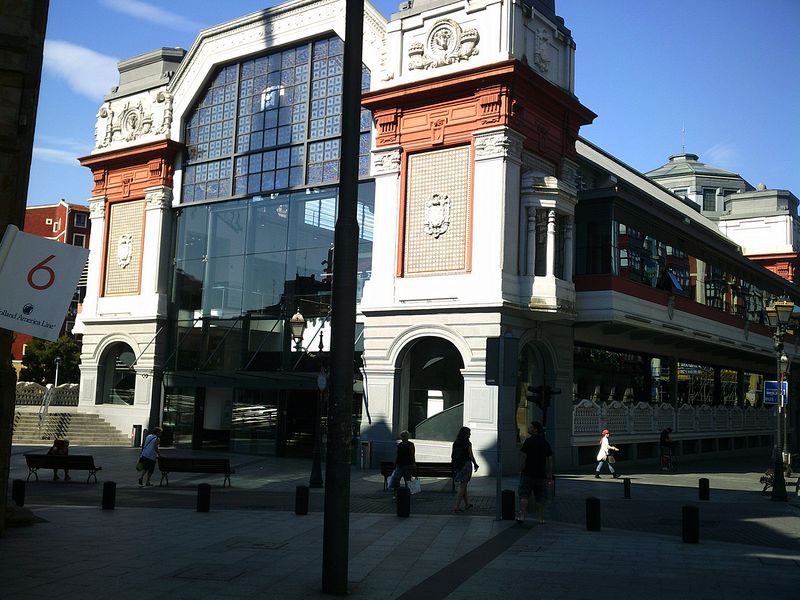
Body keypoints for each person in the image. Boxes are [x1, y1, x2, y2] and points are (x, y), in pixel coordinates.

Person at [517, 421, 553, 524]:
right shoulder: (545, 442)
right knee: (540, 497)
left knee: (524, 494)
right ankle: (540, 518)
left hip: (528, 473)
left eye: (531, 427)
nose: (529, 428)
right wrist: (549, 474)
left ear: (536, 430)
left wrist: (520, 469)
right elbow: (549, 460)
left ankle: (522, 515)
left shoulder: (528, 441)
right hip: (541, 474)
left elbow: (523, 456)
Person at [451, 426, 479, 512]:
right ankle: (457, 506)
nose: (470, 434)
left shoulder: (455, 443)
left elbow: (453, 455)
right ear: (466, 434)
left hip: (458, 465)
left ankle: (467, 504)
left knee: (464, 485)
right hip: (466, 465)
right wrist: (475, 464)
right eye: (469, 433)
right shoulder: (467, 443)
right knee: (463, 485)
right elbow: (471, 455)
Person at [389, 430, 416, 499]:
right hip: (400, 465)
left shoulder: (411, 445)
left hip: (408, 465)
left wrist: (413, 463)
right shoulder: (400, 445)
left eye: (404, 436)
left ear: (407, 437)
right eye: (402, 436)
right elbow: (398, 455)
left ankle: (407, 494)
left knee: (407, 480)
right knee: (396, 479)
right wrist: (395, 464)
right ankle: (396, 493)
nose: (403, 438)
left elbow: (413, 455)